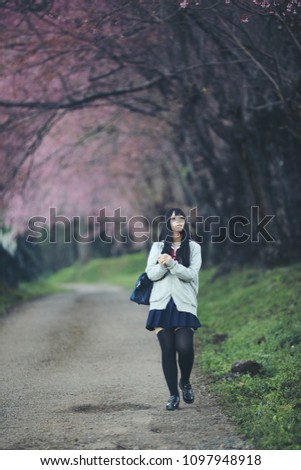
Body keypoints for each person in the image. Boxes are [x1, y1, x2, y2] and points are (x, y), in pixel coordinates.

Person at [145, 207, 202, 410]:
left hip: (184, 304)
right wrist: (161, 265)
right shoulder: (158, 246)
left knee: (185, 348)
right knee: (168, 350)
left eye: (181, 218)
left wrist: (171, 264)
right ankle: (173, 396)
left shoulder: (193, 247)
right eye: (174, 219)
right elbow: (151, 274)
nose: (179, 222)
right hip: (161, 304)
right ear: (167, 223)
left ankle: (185, 381)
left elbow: (191, 275)